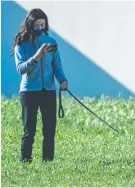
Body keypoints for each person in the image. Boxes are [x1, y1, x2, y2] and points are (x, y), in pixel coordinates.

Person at [11, 8, 68, 163]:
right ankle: (26, 161)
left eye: (42, 25)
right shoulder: (21, 44)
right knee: (29, 129)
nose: (39, 28)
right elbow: (21, 69)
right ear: (30, 25)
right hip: (29, 92)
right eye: (36, 26)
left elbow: (57, 66)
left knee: (49, 129)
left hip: (48, 91)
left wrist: (63, 80)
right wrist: (36, 57)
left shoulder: (51, 42)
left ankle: (48, 161)